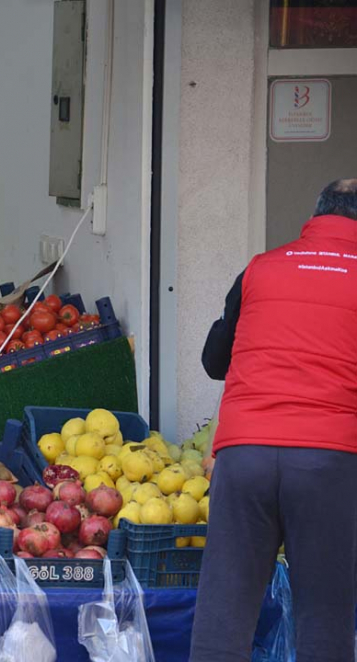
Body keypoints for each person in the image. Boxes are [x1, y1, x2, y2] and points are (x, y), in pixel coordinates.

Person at [190, 179, 357, 662]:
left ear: (316, 214)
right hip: (328, 462)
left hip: (245, 457)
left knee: (224, 606)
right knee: (324, 613)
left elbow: (214, 361)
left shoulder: (260, 270)